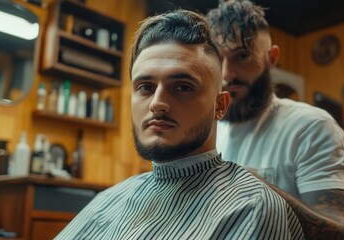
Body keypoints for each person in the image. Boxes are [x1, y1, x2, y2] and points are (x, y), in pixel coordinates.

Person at [55, 9, 304, 240]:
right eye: (145, 87)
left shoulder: (251, 206)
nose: (157, 103)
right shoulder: (108, 199)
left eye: (183, 87)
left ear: (220, 106)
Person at [206, 0, 344, 239]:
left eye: (242, 56)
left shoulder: (311, 127)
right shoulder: (207, 133)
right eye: (218, 60)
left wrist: (253, 187)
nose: (227, 75)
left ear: (272, 57)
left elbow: (342, 234)